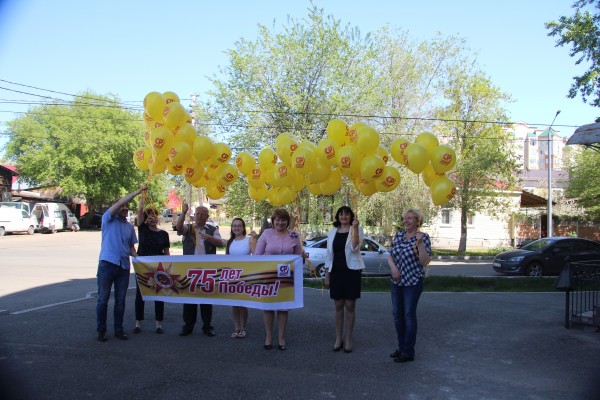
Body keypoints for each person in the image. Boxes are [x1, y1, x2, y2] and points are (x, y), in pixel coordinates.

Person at [96, 185, 145, 342]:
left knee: (120, 301)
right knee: (103, 299)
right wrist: (137, 192)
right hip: (107, 264)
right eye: (122, 206)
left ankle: (118, 329)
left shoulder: (129, 227)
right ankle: (101, 330)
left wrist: (138, 258)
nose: (124, 208)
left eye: (126, 206)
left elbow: (131, 247)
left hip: (123, 267)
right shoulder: (108, 219)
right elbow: (118, 204)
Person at [254, 208, 303, 351]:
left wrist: (303, 256)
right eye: (277, 220)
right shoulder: (266, 233)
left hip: (286, 277)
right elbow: (257, 255)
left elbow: (298, 256)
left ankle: (281, 337)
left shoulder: (294, 235)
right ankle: (268, 337)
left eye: (283, 220)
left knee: (283, 308)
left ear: (287, 222)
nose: (280, 223)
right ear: (273, 221)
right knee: (268, 307)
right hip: (268, 275)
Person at [387, 209, 431, 363]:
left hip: (413, 282)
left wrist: (419, 243)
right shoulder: (399, 235)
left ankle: (408, 351)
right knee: (397, 315)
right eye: (405, 218)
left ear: (418, 221)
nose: (406, 221)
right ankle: (401, 347)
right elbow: (390, 255)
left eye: (410, 218)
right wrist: (393, 269)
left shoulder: (423, 237)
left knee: (408, 315)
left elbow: (424, 262)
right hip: (397, 281)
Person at [176, 204, 224, 337]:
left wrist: (208, 237)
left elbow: (220, 243)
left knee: (206, 298)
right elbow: (179, 228)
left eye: (203, 214)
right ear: (194, 215)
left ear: (207, 217)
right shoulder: (189, 228)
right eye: (197, 214)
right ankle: (188, 326)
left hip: (207, 270)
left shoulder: (212, 229)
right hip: (190, 269)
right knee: (189, 298)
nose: (199, 216)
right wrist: (183, 213)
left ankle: (207, 326)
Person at [324, 206, 365, 353]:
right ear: (337, 216)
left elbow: (354, 248)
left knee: (350, 305)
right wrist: (327, 274)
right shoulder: (332, 232)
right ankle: (338, 337)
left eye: (347, 214)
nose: (343, 216)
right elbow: (329, 255)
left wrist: (355, 228)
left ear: (351, 216)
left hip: (351, 271)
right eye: (341, 214)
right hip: (336, 271)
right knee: (338, 305)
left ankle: (348, 338)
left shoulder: (358, 230)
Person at [133, 193, 170, 334]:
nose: (152, 218)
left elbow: (166, 252)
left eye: (154, 216)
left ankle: (158, 324)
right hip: (142, 267)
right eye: (149, 216)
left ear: (158, 218)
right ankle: (138, 323)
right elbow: (139, 211)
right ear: (146, 219)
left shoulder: (164, 234)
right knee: (140, 293)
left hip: (158, 267)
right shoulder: (142, 229)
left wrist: (168, 267)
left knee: (159, 294)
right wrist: (142, 195)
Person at [225, 217, 257, 339]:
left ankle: (243, 328)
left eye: (239, 225)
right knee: (234, 304)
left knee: (243, 304)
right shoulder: (230, 242)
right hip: (232, 276)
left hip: (245, 276)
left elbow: (256, 256)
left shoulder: (249, 240)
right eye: (234, 226)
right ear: (231, 228)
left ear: (243, 228)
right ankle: (236, 328)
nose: (236, 228)